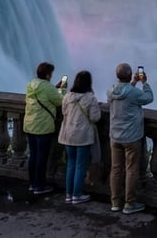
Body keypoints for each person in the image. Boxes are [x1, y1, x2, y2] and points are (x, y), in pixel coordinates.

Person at [108, 62, 152, 215]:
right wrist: (144, 82)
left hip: (115, 136)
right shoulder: (134, 93)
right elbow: (148, 98)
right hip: (131, 137)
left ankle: (114, 202)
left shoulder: (111, 90)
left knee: (115, 169)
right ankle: (129, 203)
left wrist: (133, 82)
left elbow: (124, 92)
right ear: (128, 75)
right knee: (131, 169)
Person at [59, 70, 101, 204]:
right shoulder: (90, 98)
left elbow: (64, 112)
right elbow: (95, 117)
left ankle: (68, 194)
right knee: (80, 165)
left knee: (70, 164)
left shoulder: (67, 97)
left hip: (68, 135)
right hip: (83, 136)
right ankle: (77, 195)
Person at [23, 61, 62, 195]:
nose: (51, 75)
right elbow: (59, 101)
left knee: (33, 155)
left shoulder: (31, 84)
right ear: (47, 75)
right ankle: (40, 186)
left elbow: (43, 97)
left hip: (29, 124)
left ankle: (32, 184)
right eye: (51, 73)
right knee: (42, 157)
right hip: (43, 127)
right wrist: (61, 90)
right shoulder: (47, 87)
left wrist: (53, 89)